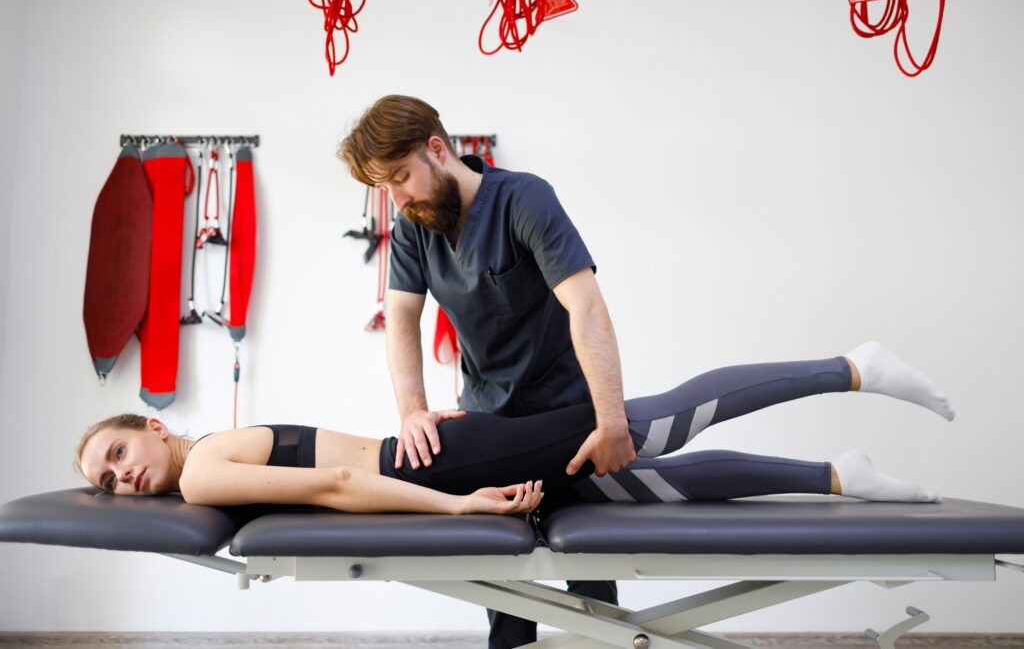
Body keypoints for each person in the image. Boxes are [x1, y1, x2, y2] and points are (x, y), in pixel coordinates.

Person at [339, 95, 636, 646]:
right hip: (489, 422)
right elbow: (401, 318)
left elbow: (587, 305)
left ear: (437, 150)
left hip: (567, 419)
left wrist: (611, 421)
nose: (398, 199)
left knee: (593, 585)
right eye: (385, 188)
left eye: (401, 177)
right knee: (504, 586)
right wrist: (412, 414)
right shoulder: (414, 229)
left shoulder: (524, 198)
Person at [77, 343, 952, 514]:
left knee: (650, 427)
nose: (123, 477)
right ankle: (836, 476)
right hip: (439, 464)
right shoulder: (208, 461)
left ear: (152, 427)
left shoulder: (200, 473)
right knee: (638, 485)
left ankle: (852, 369)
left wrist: (457, 510)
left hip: (437, 471)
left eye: (117, 453)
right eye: (109, 481)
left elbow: (334, 484)